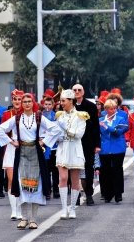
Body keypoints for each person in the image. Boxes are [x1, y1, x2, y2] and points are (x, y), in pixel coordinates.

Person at [0, 93, 61, 229]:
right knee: (22, 184)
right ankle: (24, 218)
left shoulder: (39, 117)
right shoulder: (17, 118)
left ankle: (33, 219)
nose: (26, 103)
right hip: (22, 153)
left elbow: (55, 129)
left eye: (29, 101)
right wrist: (12, 142)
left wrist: (43, 141)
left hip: (36, 153)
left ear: (33, 103)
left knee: (36, 185)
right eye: (24, 101)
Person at [55, 89, 89, 218]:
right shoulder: (59, 115)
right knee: (63, 178)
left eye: (63, 101)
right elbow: (56, 132)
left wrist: (67, 129)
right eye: (61, 101)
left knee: (75, 180)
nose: (61, 103)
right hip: (63, 148)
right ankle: (64, 208)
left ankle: (73, 208)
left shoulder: (81, 116)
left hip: (75, 149)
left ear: (71, 101)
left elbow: (79, 134)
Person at [73, 84, 100, 206]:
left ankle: (89, 194)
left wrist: (97, 144)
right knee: (73, 168)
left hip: (87, 142)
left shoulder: (91, 106)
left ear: (83, 92)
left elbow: (95, 126)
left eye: (79, 90)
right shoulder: (69, 105)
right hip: (73, 142)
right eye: (75, 90)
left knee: (89, 168)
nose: (77, 92)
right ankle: (75, 195)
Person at [99, 100, 129, 203]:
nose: (114, 110)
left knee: (117, 170)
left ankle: (118, 193)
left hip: (118, 148)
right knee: (106, 172)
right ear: (106, 110)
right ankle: (108, 193)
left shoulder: (120, 119)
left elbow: (119, 132)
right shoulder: (101, 120)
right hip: (105, 149)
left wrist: (106, 127)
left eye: (115, 108)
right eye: (111, 109)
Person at [1, 89, 24, 219]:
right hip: (10, 147)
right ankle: (14, 210)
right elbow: (1, 131)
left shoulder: (26, 114)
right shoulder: (6, 114)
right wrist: (10, 140)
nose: (17, 102)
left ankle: (20, 209)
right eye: (15, 99)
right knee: (11, 180)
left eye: (19, 99)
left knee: (20, 180)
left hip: (23, 149)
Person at [42, 97, 60, 198]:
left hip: (55, 146)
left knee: (55, 169)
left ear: (53, 105)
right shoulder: (41, 116)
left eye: (49, 104)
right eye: (46, 104)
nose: (48, 106)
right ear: (43, 105)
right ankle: (48, 190)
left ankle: (56, 190)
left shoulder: (56, 116)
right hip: (45, 146)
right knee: (46, 169)